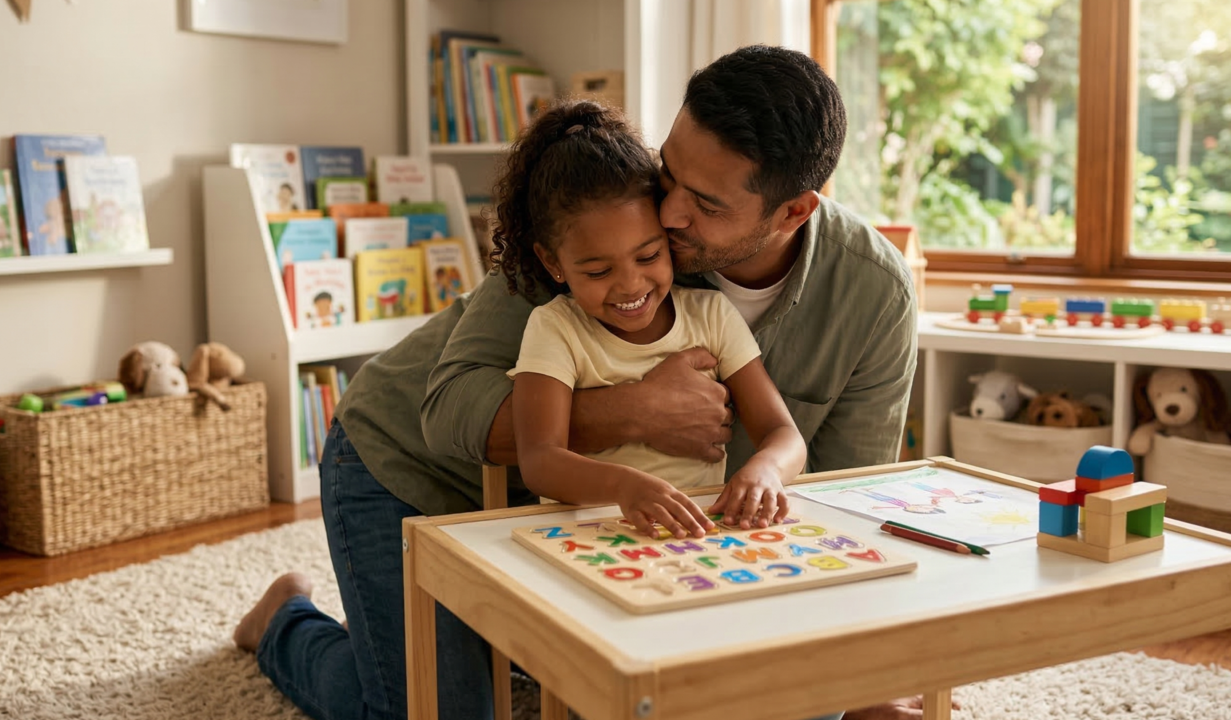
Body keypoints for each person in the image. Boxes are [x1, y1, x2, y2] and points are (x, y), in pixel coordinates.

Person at [236, 45, 927, 720]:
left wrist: (860, 682)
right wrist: (632, 412)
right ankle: (285, 624)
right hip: (407, 468)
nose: (671, 213)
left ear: (793, 212)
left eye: (706, 203)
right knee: (428, 709)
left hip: (583, 518)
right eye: (670, 172)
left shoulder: (872, 295)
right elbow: (444, 411)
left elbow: (843, 499)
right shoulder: (608, 230)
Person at [498, 101, 804, 536]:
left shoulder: (711, 316)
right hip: (585, 538)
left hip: (695, 538)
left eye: (649, 255)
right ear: (552, 264)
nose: (630, 285)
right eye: (598, 271)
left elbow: (783, 434)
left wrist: (767, 471)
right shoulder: (556, 328)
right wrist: (623, 487)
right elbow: (540, 460)